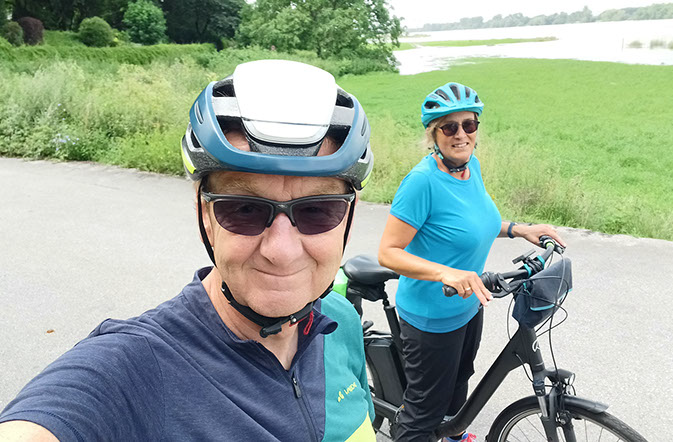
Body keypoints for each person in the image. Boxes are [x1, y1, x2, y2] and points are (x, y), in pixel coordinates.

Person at [0, 60, 376, 441]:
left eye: (317, 211)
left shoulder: (340, 320)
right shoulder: (139, 369)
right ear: (204, 213)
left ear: (349, 215)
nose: (281, 251)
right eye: (244, 209)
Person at [378, 82, 566, 442]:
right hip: (431, 317)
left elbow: (476, 223)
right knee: (422, 414)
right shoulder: (421, 183)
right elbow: (388, 252)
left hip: (468, 304)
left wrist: (520, 229)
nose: (461, 134)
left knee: (459, 383)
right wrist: (446, 273)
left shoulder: (471, 167)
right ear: (433, 134)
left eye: (469, 124)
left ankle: (453, 435)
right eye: (449, 127)